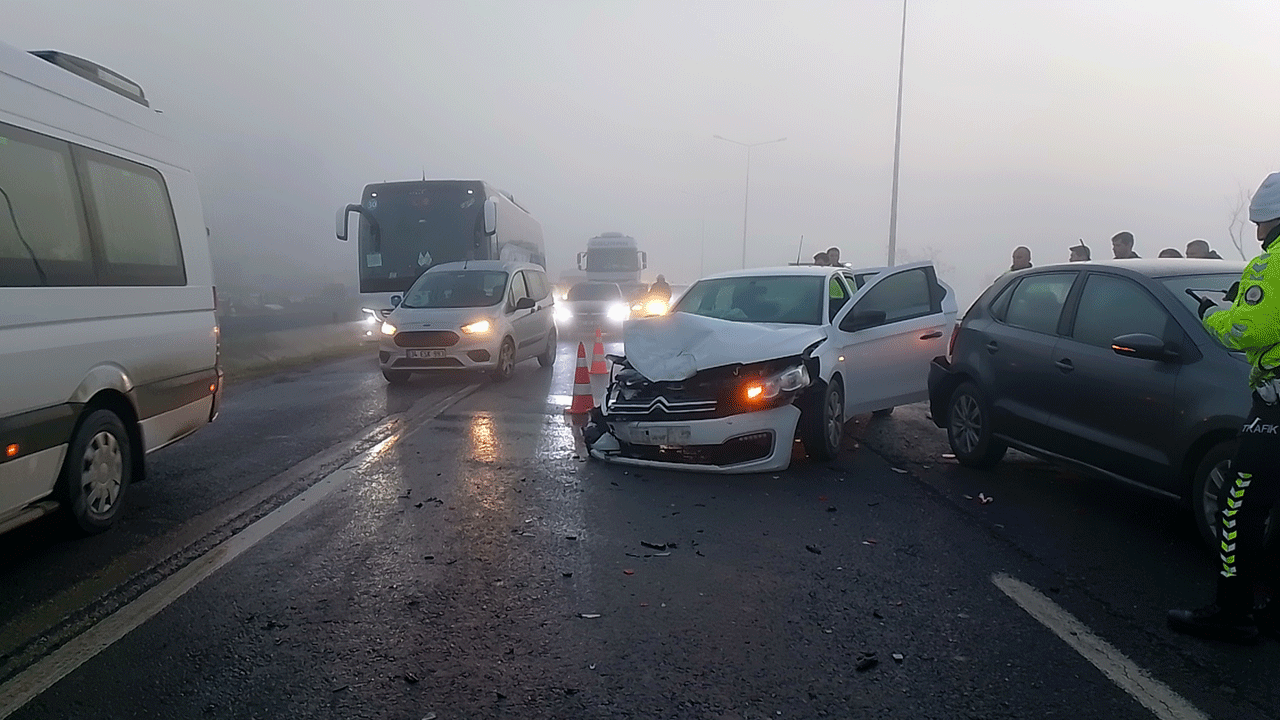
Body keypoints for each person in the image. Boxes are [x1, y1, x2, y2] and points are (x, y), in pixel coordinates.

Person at [1168, 171, 1280, 644]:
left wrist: (1214, 312)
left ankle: (1233, 612)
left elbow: (1249, 331)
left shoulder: (1269, 265)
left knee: (1236, 506)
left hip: (1274, 408)